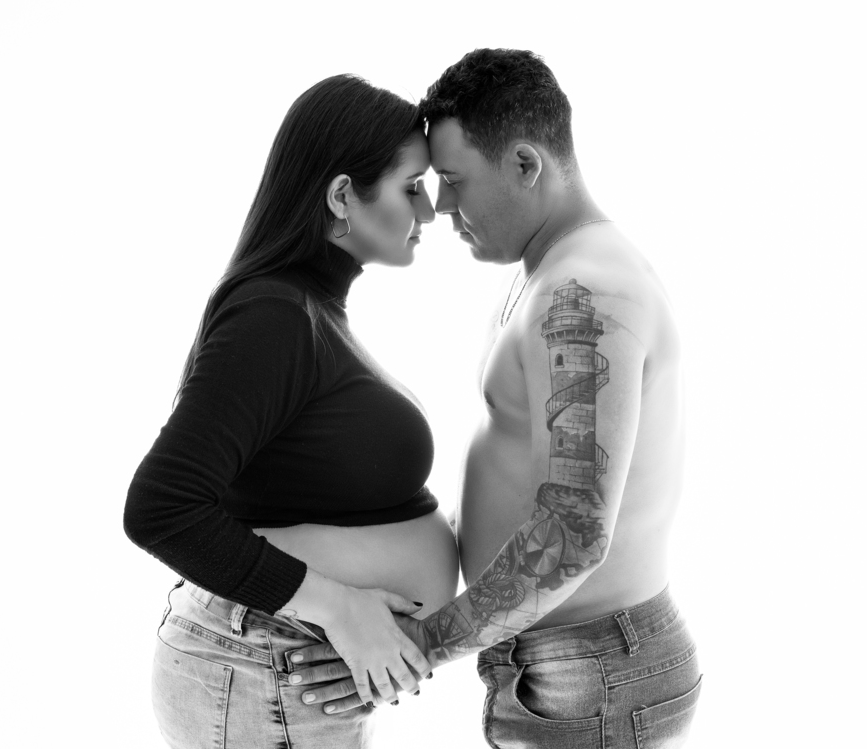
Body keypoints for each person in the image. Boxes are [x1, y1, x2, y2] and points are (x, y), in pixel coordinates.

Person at [298, 49, 702, 748]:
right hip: (579, 667)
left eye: (454, 180)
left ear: (524, 164)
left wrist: (419, 644)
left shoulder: (583, 295)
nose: (441, 207)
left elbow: (573, 532)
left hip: (594, 678)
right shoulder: (553, 272)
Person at [122, 74, 459, 749]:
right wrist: (341, 607)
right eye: (411, 188)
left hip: (279, 669)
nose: (429, 212)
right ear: (342, 195)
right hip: (261, 670)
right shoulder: (276, 315)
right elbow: (159, 508)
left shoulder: (310, 310)